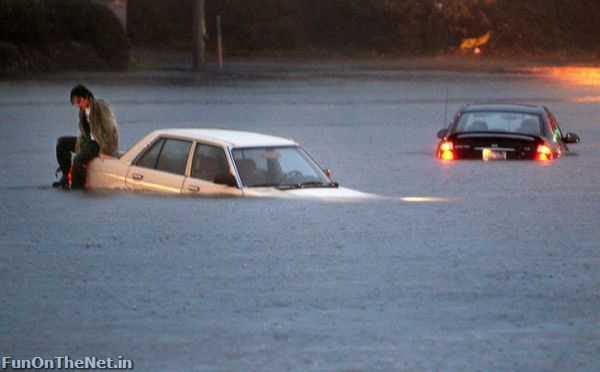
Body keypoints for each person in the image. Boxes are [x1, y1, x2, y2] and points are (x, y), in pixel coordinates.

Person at [53, 85, 119, 189]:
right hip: (86, 141)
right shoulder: (83, 110)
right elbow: (85, 131)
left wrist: (106, 150)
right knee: (61, 142)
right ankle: (66, 175)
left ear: (86, 96)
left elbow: (111, 128)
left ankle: (77, 186)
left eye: (78, 101)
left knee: (78, 159)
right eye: (75, 103)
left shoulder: (100, 105)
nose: (77, 105)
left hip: (98, 143)